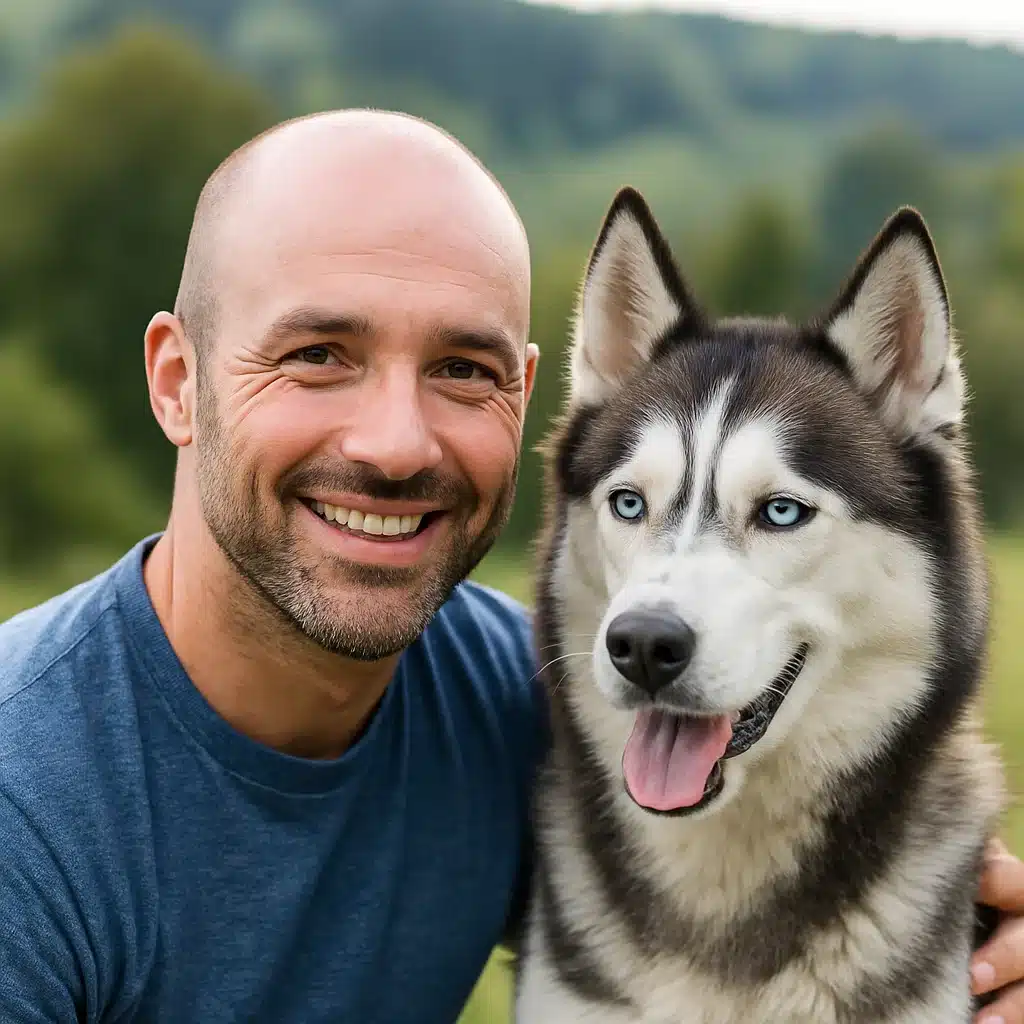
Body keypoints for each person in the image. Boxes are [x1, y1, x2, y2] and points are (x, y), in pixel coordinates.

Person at [0, 109, 1019, 1024]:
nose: (396, 443)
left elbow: (820, 829)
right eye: (317, 353)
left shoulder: (519, 696)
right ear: (178, 384)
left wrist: (985, 943)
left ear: (527, 399)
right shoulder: (26, 804)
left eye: (461, 369)